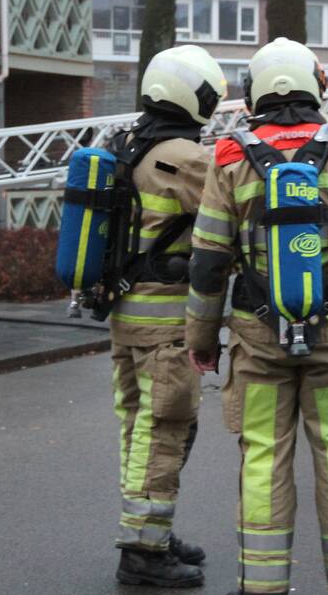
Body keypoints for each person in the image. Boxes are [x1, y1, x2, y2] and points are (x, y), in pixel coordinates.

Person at [185, 37, 328, 595]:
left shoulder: (229, 158)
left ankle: (262, 586)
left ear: (254, 93)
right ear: (316, 86)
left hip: (257, 337)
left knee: (261, 458)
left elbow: (208, 263)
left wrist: (202, 337)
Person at [107, 45, 226, 588]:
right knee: (166, 431)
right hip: (165, 324)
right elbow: (236, 215)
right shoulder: (186, 158)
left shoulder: (126, 144)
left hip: (124, 316)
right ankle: (143, 552)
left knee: (140, 429)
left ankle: (153, 531)